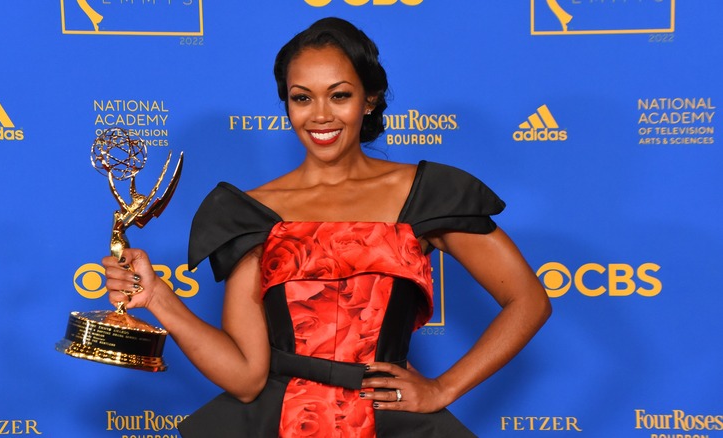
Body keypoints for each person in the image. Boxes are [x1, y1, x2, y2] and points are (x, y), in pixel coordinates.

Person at [102, 17, 551, 437]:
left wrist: (444, 387)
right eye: (302, 97)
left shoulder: (426, 193)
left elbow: (528, 301)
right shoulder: (252, 212)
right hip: (276, 421)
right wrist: (159, 297)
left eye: (339, 95)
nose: (320, 115)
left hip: (389, 421)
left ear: (369, 99)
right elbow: (244, 378)